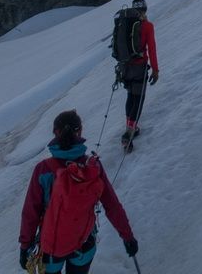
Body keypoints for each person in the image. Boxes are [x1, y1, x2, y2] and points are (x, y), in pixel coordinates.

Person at [19, 110, 138, 273]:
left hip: (51, 250)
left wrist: (25, 246)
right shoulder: (92, 167)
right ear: (80, 131)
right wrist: (128, 237)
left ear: (55, 132)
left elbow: (30, 213)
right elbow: (112, 205)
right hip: (84, 245)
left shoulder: (43, 170)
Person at [120, 0, 159, 144]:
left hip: (125, 67)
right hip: (139, 66)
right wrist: (155, 70)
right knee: (139, 97)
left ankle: (129, 125)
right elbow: (152, 49)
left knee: (130, 96)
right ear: (144, 9)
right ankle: (130, 130)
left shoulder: (126, 24)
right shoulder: (147, 26)